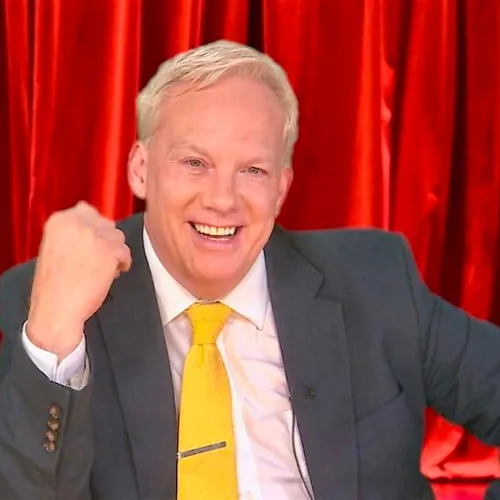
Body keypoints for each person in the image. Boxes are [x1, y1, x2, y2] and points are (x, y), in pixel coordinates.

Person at [0, 39, 499, 500]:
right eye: (195, 163)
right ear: (140, 169)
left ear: (281, 188)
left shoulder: (375, 281)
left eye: (252, 170)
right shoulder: (51, 301)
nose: (223, 200)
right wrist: (52, 339)